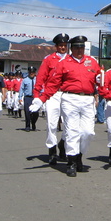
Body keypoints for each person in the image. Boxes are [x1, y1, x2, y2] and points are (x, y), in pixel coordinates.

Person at [30, 35, 101, 177]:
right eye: (76, 47)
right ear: (71, 48)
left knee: (87, 132)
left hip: (87, 99)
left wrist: (100, 81)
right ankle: (72, 161)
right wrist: (40, 98)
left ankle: (79, 153)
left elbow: (100, 80)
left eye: (81, 47)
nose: (79, 50)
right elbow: (52, 83)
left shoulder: (92, 62)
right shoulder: (63, 63)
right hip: (69, 98)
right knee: (71, 130)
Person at [33, 33, 70, 165]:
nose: (63, 48)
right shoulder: (49, 59)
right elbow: (41, 77)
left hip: (67, 94)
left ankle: (63, 144)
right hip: (52, 94)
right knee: (51, 124)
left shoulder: (71, 59)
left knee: (68, 124)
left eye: (65, 45)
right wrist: (37, 94)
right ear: (56, 46)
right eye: (60, 45)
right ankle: (52, 150)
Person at [19, 66, 39, 131]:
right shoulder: (25, 80)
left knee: (36, 113)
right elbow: (21, 89)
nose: (31, 73)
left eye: (33, 72)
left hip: (35, 97)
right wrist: (20, 97)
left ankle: (33, 122)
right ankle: (27, 126)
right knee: (27, 112)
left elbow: (41, 88)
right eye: (30, 72)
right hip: (27, 97)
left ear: (35, 73)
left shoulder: (37, 80)